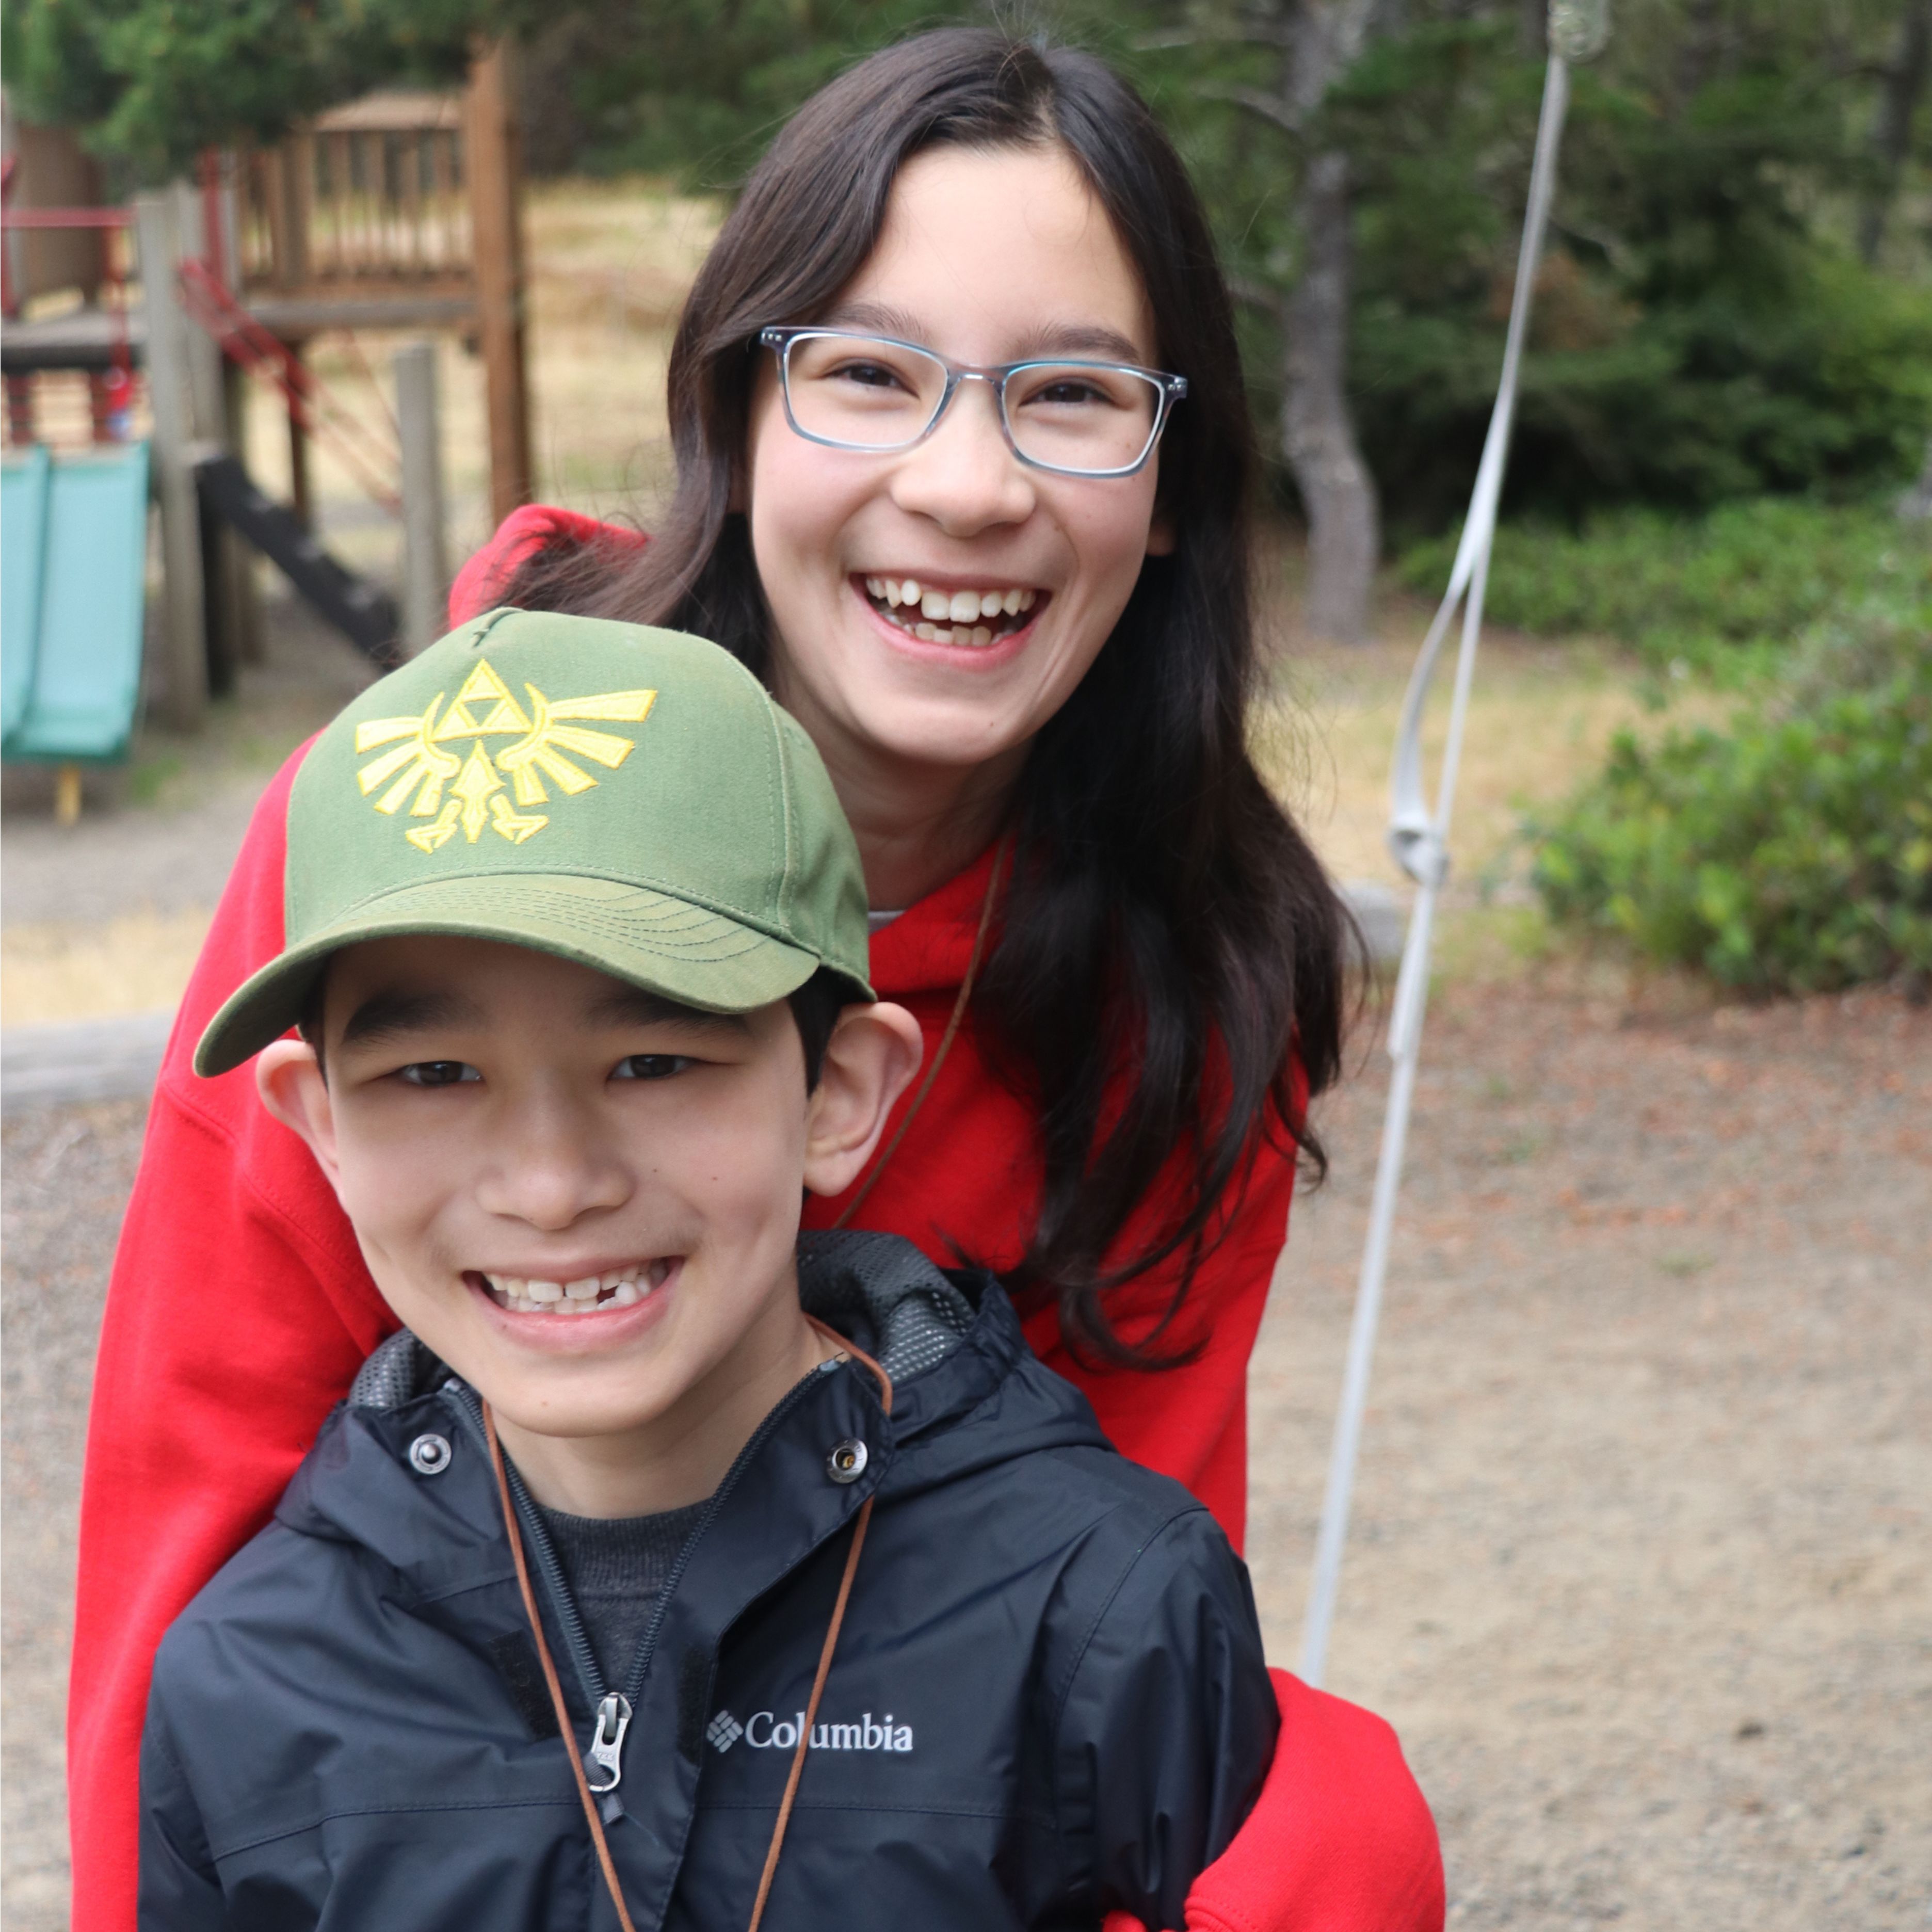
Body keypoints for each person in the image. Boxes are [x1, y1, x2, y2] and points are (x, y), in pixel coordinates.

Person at [76, 29, 1445, 1932]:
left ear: (1172, 471)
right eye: (867, 376)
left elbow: (1135, 1648)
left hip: (872, 1832)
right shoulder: (412, 843)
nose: (966, 486)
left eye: (1070, 395)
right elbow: (198, 1507)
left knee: (1316, 1824)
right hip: (448, 1802)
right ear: (732, 413)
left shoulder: (1186, 961)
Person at [139, 609, 1278, 1929]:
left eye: (655, 1064)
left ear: (840, 1094)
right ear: (319, 1128)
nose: (552, 1186)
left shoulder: (1104, 1611)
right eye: (433, 1074)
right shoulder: (248, 1675)